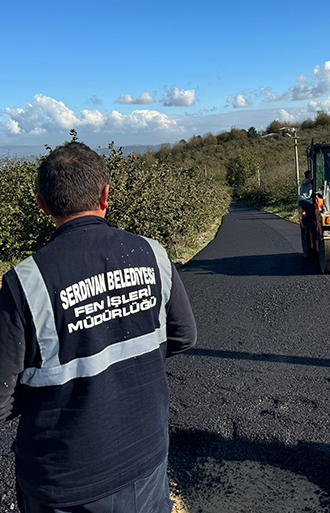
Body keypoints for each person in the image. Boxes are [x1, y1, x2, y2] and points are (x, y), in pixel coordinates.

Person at [0, 142, 197, 512]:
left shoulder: (26, 282)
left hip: (65, 483)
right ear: (106, 195)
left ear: (42, 205)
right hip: (147, 461)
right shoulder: (154, 254)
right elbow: (184, 335)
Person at [299, 169, 316, 241]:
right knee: (310, 210)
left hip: (309, 200)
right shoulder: (304, 180)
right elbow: (306, 183)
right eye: (310, 174)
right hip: (303, 201)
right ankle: (313, 233)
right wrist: (310, 178)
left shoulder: (312, 182)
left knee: (313, 208)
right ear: (307, 176)